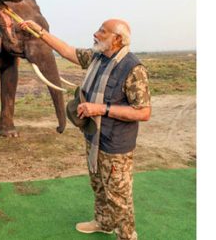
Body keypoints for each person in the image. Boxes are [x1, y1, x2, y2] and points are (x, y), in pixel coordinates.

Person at [19, 18, 151, 240]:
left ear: (117, 39)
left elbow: (143, 112)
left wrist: (100, 108)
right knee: (98, 185)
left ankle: (127, 236)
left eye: (102, 31)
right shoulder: (97, 57)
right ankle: (103, 222)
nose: (95, 34)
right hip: (94, 137)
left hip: (116, 144)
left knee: (118, 196)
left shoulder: (133, 69)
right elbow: (68, 51)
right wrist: (40, 32)